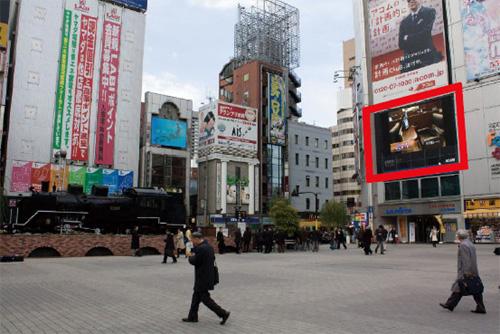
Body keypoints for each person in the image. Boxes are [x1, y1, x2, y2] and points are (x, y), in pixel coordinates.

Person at [183, 232, 231, 324]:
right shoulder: (208, 246)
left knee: (206, 299)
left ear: (197, 239)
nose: (192, 242)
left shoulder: (201, 248)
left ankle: (223, 313)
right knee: (196, 297)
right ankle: (192, 317)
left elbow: (195, 261)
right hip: (207, 276)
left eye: (192, 240)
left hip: (202, 278)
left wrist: (190, 257)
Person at [439, 229, 486, 314]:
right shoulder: (470, 244)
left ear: (459, 236)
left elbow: (466, 260)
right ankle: (450, 304)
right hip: (473, 269)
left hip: (466, 271)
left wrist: (467, 272)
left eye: (457, 235)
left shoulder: (463, 245)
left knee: (463, 286)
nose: (456, 236)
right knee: (473, 288)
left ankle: (450, 304)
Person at [398, 0, 442, 73]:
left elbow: (426, 33)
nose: (411, 1)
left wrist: (408, 38)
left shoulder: (429, 12)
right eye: (409, 0)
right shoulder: (404, 22)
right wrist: (419, 35)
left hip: (428, 57)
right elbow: (401, 44)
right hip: (411, 61)